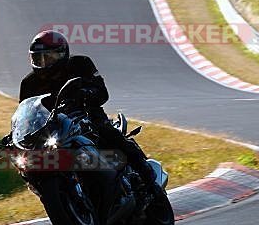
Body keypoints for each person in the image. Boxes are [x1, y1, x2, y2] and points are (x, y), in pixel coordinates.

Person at [15, 29, 158, 197]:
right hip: (52, 129)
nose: (45, 62)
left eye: (50, 57)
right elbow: (26, 111)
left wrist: (86, 93)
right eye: (39, 58)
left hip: (86, 116)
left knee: (107, 132)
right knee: (29, 162)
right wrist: (17, 133)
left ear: (62, 53)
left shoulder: (80, 64)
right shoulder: (29, 83)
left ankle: (148, 177)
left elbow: (102, 92)